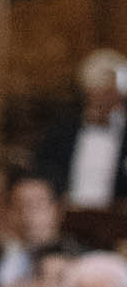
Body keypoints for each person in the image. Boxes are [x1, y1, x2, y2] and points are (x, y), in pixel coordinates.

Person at [35, 48, 127, 209]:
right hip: (66, 215)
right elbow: (44, 171)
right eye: (100, 93)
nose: (106, 101)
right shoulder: (62, 132)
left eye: (111, 93)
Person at [0, 169, 84, 287]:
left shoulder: (78, 259)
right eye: (19, 205)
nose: (27, 214)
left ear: (58, 209)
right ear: (7, 210)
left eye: (37, 205)